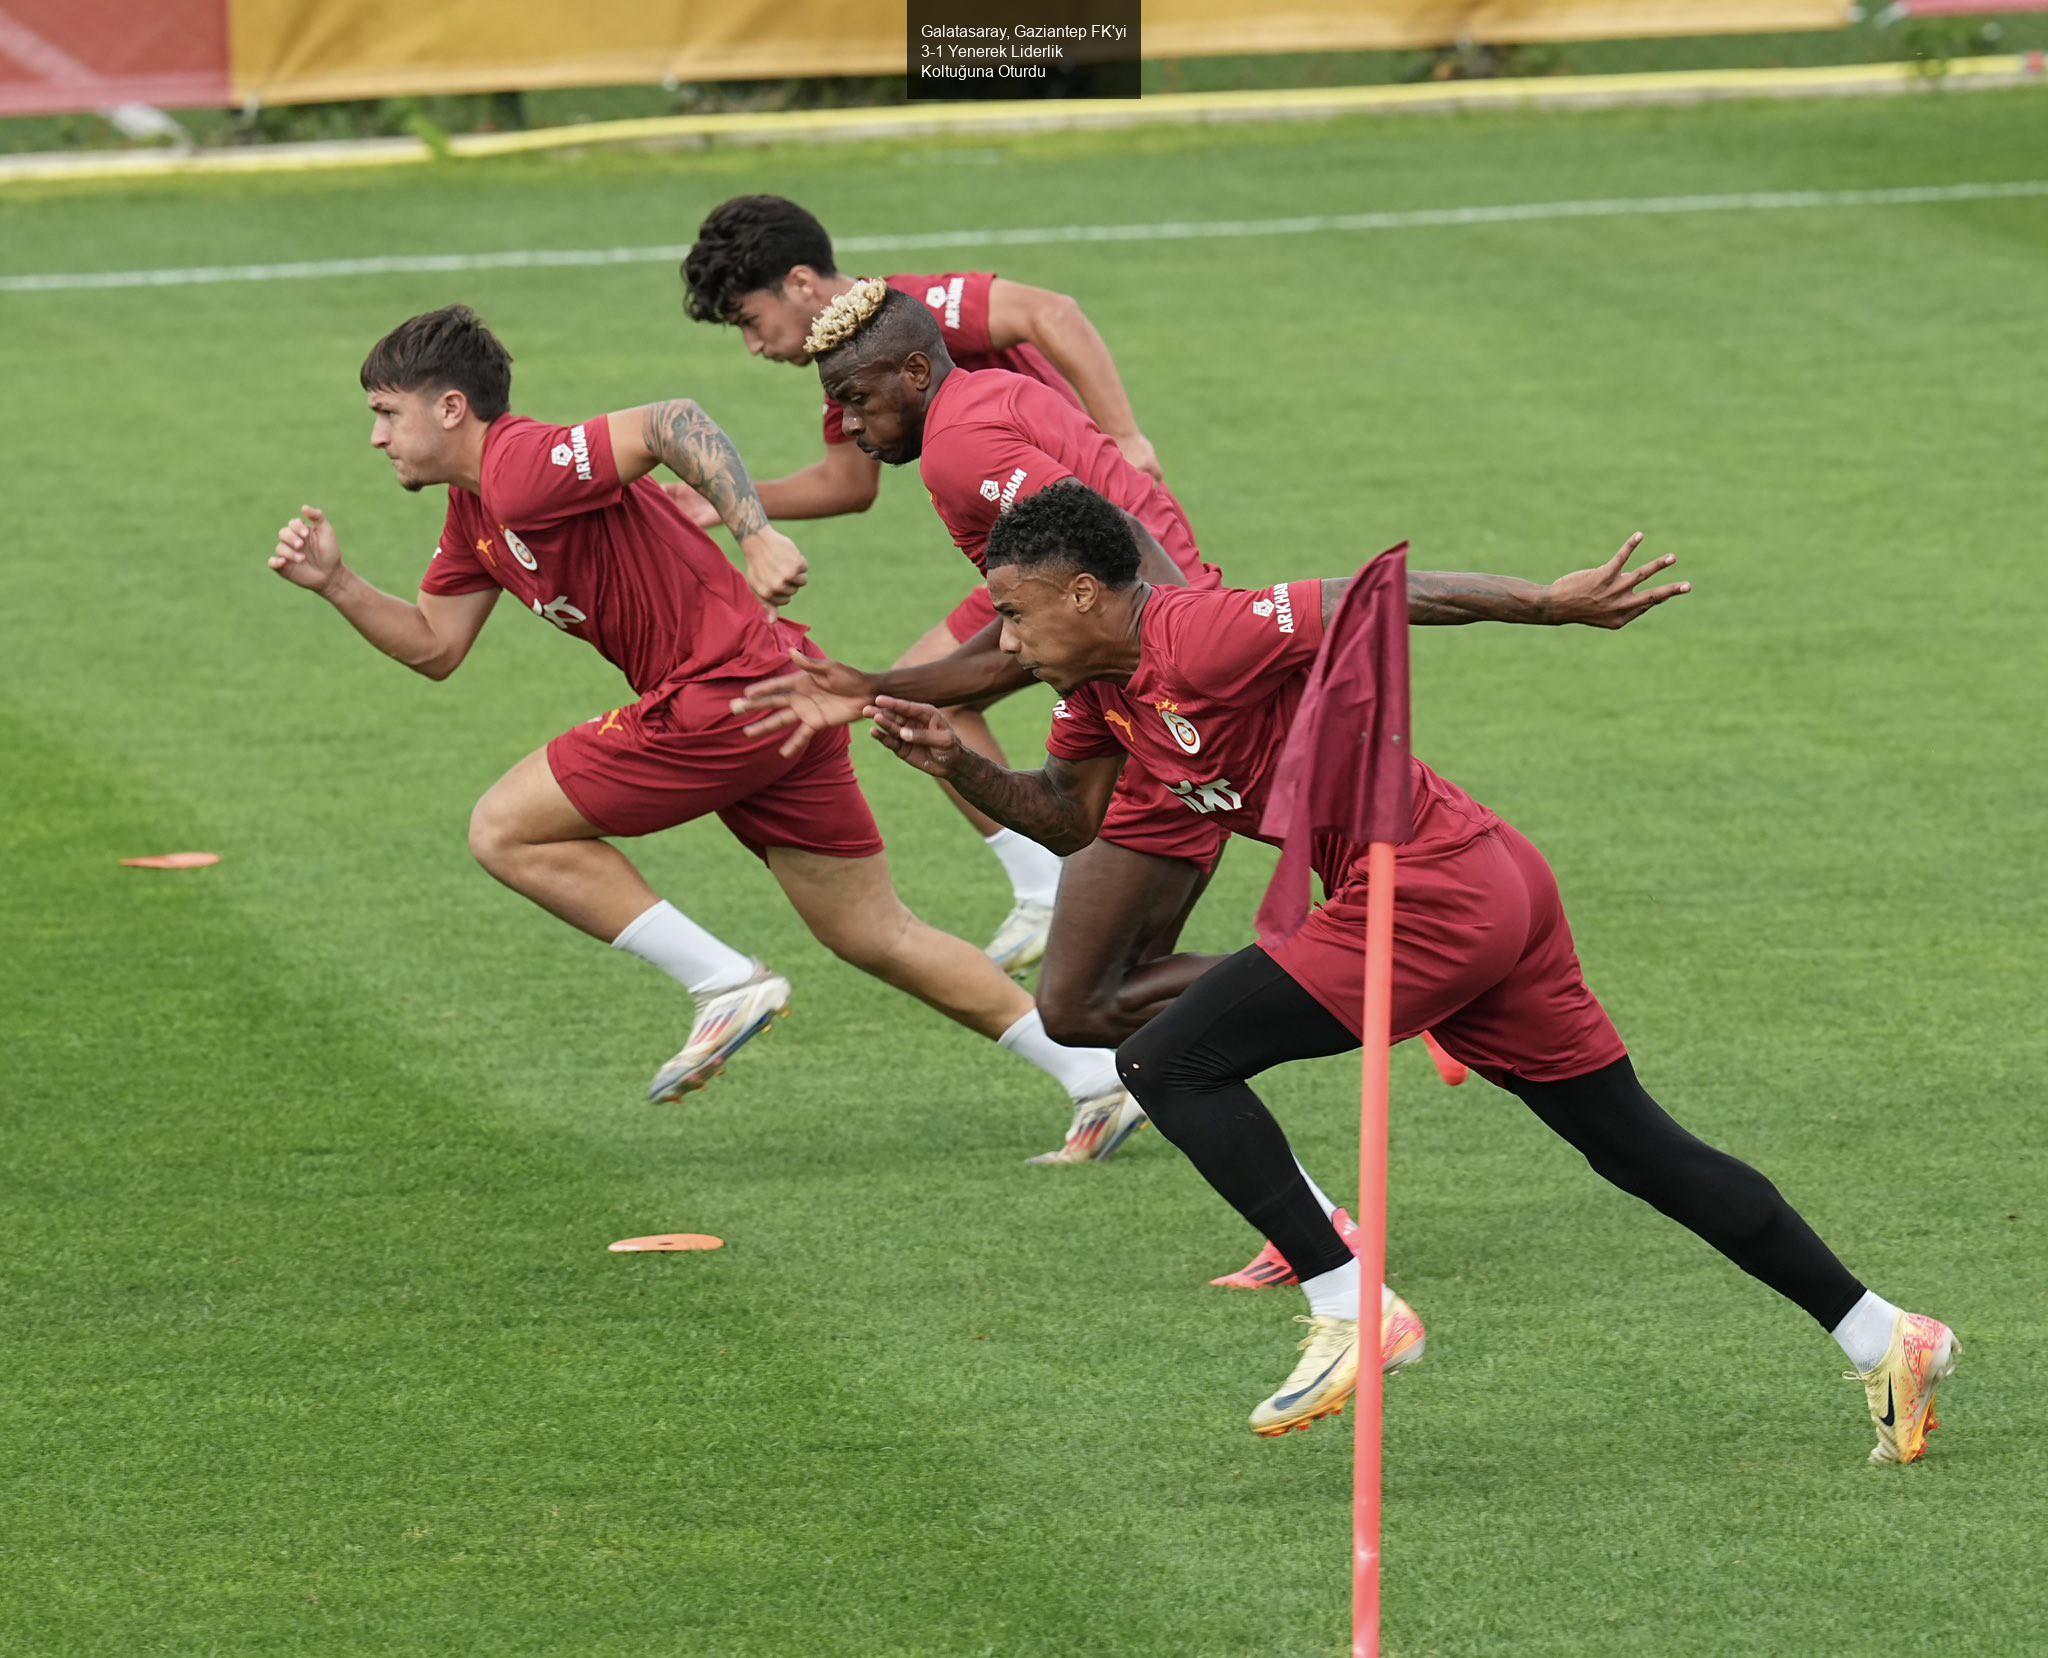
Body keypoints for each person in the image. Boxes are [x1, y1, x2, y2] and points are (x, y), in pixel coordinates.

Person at [855, 481, 1956, 1462]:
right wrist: (958, 760)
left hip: (1430, 890)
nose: (999, 635)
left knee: (1164, 1060)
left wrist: (1547, 602)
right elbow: (1061, 821)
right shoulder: (1097, 694)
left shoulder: (1198, 633)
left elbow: (1387, 593)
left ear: (1086, 592)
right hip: (1479, 882)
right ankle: (1884, 1333)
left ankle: (1352, 1302)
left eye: (1011, 608)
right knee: (1634, 1146)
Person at [263, 303, 1139, 1156]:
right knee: (874, 933)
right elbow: (434, 645)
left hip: (725, 695)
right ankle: (1095, 1078)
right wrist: (337, 584)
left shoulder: (524, 463)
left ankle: (724, 982)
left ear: (450, 407)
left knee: (504, 828)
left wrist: (756, 536)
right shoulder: (474, 515)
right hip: (778, 693)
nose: (378, 437)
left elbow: (672, 419)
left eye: (387, 413)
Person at [679, 197, 1165, 971]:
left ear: (802, 283)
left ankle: (1056, 888)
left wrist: (1124, 436)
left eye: (749, 317)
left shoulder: (914, 315)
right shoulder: (856, 374)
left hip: (1083, 536)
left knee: (954, 689)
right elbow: (849, 483)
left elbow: (1051, 311)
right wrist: (726, 501)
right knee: (953, 695)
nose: (751, 345)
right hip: (1033, 549)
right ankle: (1059, 885)